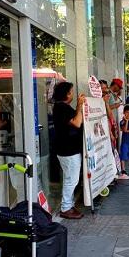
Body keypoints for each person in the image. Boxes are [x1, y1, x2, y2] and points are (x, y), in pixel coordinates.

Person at [51, 82, 86, 219]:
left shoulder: (63, 107)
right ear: (66, 94)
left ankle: (69, 204)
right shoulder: (61, 108)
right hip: (68, 150)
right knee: (72, 179)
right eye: (71, 91)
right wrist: (80, 106)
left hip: (68, 149)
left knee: (69, 178)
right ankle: (66, 208)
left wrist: (78, 106)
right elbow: (77, 122)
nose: (73, 94)